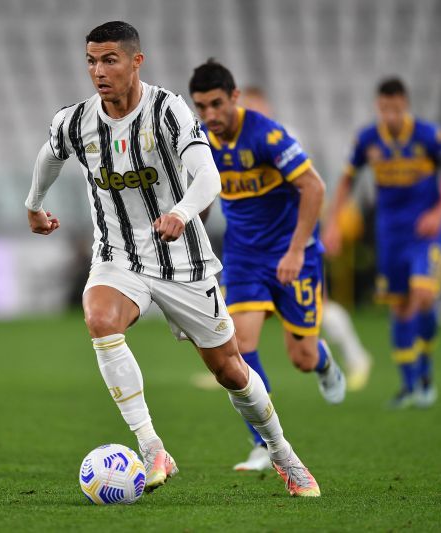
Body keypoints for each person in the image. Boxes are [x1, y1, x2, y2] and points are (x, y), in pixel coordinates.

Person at [26, 21, 319, 497]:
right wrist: (34, 203)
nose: (98, 71)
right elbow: (50, 152)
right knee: (100, 319)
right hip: (117, 255)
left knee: (230, 370)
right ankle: (151, 447)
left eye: (109, 60)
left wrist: (181, 213)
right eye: (91, 61)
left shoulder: (168, 111)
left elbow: (208, 176)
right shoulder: (76, 121)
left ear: (136, 61)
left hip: (182, 261)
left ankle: (283, 453)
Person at [189, 60, 345, 472]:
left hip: (293, 253)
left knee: (302, 358)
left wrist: (295, 251)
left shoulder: (268, 136)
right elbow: (202, 194)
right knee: (239, 343)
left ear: (235, 97)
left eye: (216, 104)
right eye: (201, 107)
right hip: (243, 257)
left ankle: (324, 361)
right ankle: (263, 442)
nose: (209, 116)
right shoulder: (201, 140)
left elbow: (314, 186)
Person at [324, 77, 441, 409]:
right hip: (390, 235)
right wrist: (333, 223)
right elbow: (347, 180)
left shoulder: (429, 135)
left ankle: (426, 372)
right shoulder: (367, 139)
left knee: (423, 296)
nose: (390, 115)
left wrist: (440, 211)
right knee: (400, 305)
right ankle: (409, 386)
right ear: (379, 107)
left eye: (396, 108)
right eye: (385, 108)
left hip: (427, 232)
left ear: (405, 105)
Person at [240, 86, 373, 392]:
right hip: (256, 243)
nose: (252, 115)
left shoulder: (285, 137)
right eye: (247, 109)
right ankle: (235, 366)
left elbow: (307, 186)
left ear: (268, 108)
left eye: (257, 108)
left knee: (318, 309)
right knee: (241, 309)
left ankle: (355, 356)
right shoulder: (238, 142)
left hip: (294, 237)